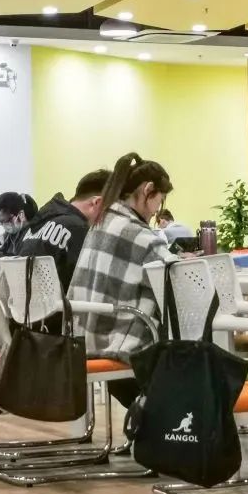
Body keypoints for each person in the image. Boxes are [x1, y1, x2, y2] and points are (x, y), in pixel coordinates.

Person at [70, 154, 175, 410]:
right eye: (159, 201)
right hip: (119, 345)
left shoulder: (101, 223)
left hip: (83, 339)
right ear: (148, 190)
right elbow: (179, 279)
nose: (156, 211)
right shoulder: (139, 234)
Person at [20, 169, 111, 290]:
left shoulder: (37, 224)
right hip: (64, 301)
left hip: (25, 301)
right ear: (97, 203)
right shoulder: (79, 229)